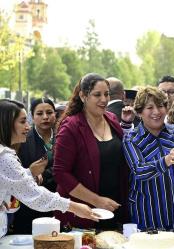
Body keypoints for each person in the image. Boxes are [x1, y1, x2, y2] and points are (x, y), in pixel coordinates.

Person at [0, 99, 98, 238]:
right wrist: (74, 207)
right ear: (6, 124)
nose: (28, 127)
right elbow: (34, 195)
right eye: (23, 122)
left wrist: (28, 173)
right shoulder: (5, 156)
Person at [54, 73, 129, 230]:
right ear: (83, 96)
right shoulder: (71, 127)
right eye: (97, 95)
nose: (104, 99)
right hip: (82, 215)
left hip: (113, 210)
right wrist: (97, 201)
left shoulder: (112, 119)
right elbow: (61, 173)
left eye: (106, 94)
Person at [122, 86, 174, 231]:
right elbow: (139, 171)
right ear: (139, 112)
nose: (156, 112)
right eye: (149, 107)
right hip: (148, 215)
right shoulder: (131, 138)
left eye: (160, 106)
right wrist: (165, 160)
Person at [12, 98, 58, 234]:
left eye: (49, 112)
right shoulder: (22, 138)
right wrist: (31, 173)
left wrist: (43, 174)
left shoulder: (63, 136)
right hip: (29, 204)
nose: (45, 117)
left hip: (57, 200)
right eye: (39, 113)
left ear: (55, 114)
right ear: (32, 116)